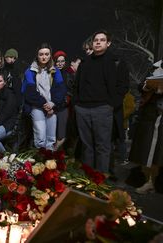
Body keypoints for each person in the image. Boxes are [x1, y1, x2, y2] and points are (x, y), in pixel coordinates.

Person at [74, 30, 128, 174]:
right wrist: (77, 104)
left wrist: (111, 105)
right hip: (83, 109)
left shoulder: (116, 62)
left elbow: (123, 86)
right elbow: (76, 85)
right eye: (96, 40)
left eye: (102, 40)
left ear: (108, 43)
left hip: (103, 108)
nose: (98, 42)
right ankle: (87, 180)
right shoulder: (85, 62)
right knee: (87, 146)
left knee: (103, 147)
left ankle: (100, 181)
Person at [23, 43, 66, 151]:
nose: (44, 57)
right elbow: (29, 92)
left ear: (50, 55)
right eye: (41, 54)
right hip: (37, 106)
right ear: (37, 55)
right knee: (41, 137)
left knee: (51, 138)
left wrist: (52, 104)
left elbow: (61, 90)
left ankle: (49, 164)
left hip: (52, 106)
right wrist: (44, 104)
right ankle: (39, 162)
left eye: (46, 54)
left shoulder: (55, 71)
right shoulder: (30, 71)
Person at [128, 63, 163, 194]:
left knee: (158, 151)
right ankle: (148, 180)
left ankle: (152, 181)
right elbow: (141, 85)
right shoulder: (154, 67)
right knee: (145, 149)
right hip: (149, 115)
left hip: (161, 116)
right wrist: (147, 86)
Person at [53, 50, 69, 150]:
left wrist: (67, 98)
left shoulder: (68, 74)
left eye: (62, 61)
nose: (60, 63)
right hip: (53, 106)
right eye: (58, 61)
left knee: (61, 134)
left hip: (63, 107)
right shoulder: (52, 73)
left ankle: (57, 153)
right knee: (52, 133)